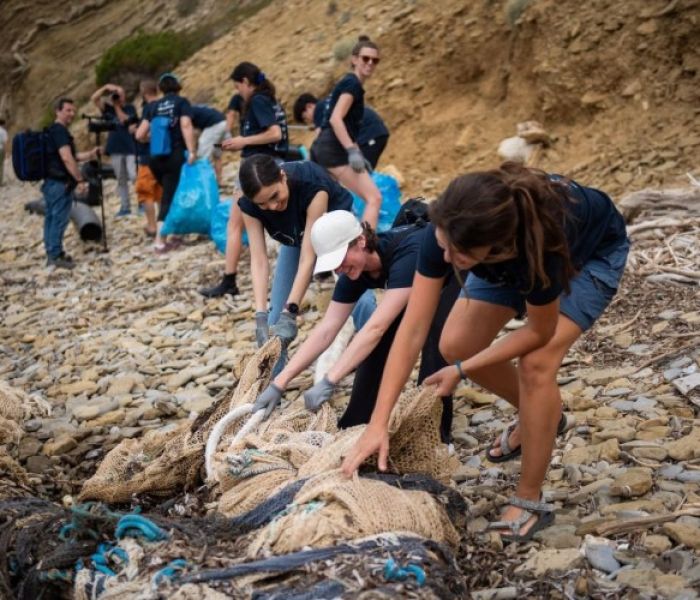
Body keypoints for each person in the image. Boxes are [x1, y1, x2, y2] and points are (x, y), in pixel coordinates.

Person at [341, 162, 630, 542]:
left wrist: (461, 371)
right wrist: (378, 424)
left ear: (496, 246)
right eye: (443, 246)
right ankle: (544, 417)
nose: (445, 260)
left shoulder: (537, 247)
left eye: (457, 254)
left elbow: (538, 333)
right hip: (501, 256)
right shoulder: (447, 233)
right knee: (453, 344)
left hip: (590, 254)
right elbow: (412, 330)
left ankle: (529, 499)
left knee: (537, 366)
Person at [253, 210, 460, 441]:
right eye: (333, 264)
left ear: (361, 241)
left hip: (453, 276)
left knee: (436, 344)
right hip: (412, 285)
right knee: (375, 349)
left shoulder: (406, 254)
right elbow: (327, 329)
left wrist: (330, 380)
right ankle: (355, 423)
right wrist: (279, 383)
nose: (339, 268)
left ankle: (437, 435)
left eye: (340, 259)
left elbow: (376, 328)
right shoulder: (353, 272)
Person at [237, 155, 354, 373]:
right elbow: (259, 260)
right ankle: (272, 387)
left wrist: (291, 311)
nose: (272, 206)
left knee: (360, 300)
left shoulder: (312, 186)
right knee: (273, 325)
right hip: (296, 237)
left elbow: (309, 257)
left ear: (282, 177)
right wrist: (260, 314)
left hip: (335, 233)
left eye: (275, 196)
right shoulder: (248, 205)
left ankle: (377, 362)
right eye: (263, 204)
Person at [200, 62, 289, 298]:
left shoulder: (258, 101)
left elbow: (274, 133)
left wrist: (243, 142)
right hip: (269, 164)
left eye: (238, 86)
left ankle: (230, 279)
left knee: (235, 225)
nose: (237, 91)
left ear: (246, 82)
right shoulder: (267, 99)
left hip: (256, 169)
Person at [310, 36, 382, 227]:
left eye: (375, 60)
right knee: (374, 198)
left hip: (323, 148)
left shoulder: (349, 83)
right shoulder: (353, 84)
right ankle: (367, 249)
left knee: (329, 204)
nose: (370, 63)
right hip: (334, 150)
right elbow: (336, 118)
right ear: (354, 59)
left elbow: (343, 125)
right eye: (366, 58)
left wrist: (356, 150)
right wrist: (351, 151)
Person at [135, 72, 196, 254]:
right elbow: (186, 125)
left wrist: (153, 140)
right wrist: (192, 150)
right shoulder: (181, 103)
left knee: (170, 194)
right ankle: (160, 241)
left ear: (161, 89)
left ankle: (174, 232)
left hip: (155, 159)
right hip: (174, 156)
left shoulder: (153, 106)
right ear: (177, 87)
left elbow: (139, 135)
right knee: (169, 197)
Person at [41, 98, 99, 269]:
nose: (72, 114)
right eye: (68, 110)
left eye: (73, 111)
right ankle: (55, 255)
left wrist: (89, 154)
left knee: (51, 217)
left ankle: (52, 251)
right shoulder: (59, 131)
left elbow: (70, 156)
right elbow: (66, 158)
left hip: (51, 182)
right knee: (59, 218)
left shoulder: (52, 131)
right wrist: (80, 179)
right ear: (57, 111)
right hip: (60, 183)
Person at [294, 93, 389, 169]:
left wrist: (308, 162)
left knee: (359, 172)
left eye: (305, 118)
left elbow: (320, 141)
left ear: (309, 106)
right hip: (374, 132)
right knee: (360, 171)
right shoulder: (329, 104)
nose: (309, 122)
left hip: (368, 134)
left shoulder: (320, 108)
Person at [90, 83, 137, 217]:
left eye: (120, 94)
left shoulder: (130, 108)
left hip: (130, 147)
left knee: (134, 176)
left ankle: (142, 203)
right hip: (115, 148)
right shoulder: (108, 109)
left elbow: (124, 120)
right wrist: (105, 88)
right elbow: (94, 99)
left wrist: (116, 106)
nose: (118, 97)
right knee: (121, 179)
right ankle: (125, 207)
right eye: (116, 94)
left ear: (125, 96)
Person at [134, 79, 162, 238]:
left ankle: (152, 226)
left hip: (148, 157)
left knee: (146, 192)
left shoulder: (149, 108)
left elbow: (140, 135)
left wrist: (142, 136)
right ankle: (161, 223)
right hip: (163, 157)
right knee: (160, 192)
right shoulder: (164, 105)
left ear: (144, 92)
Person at [191, 103, 230, 183]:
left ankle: (204, 182)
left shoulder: (187, 113)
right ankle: (219, 181)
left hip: (214, 126)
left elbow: (193, 133)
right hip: (224, 124)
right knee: (217, 155)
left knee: (203, 155)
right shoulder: (197, 108)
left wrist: (193, 150)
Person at [0, 118, 7, 186]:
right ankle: (0, 183)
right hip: (0, 149)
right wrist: (5, 151)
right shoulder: (3, 131)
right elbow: (4, 142)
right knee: (1, 166)